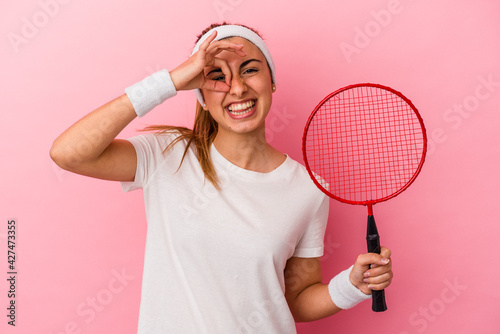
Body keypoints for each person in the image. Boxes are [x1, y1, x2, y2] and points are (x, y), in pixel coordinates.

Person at [50, 22, 393, 334]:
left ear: (271, 80)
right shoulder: (168, 154)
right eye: (217, 75)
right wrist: (170, 81)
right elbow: (68, 153)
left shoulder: (309, 188)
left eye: (250, 70)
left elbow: (293, 300)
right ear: (199, 93)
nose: (238, 88)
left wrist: (352, 286)